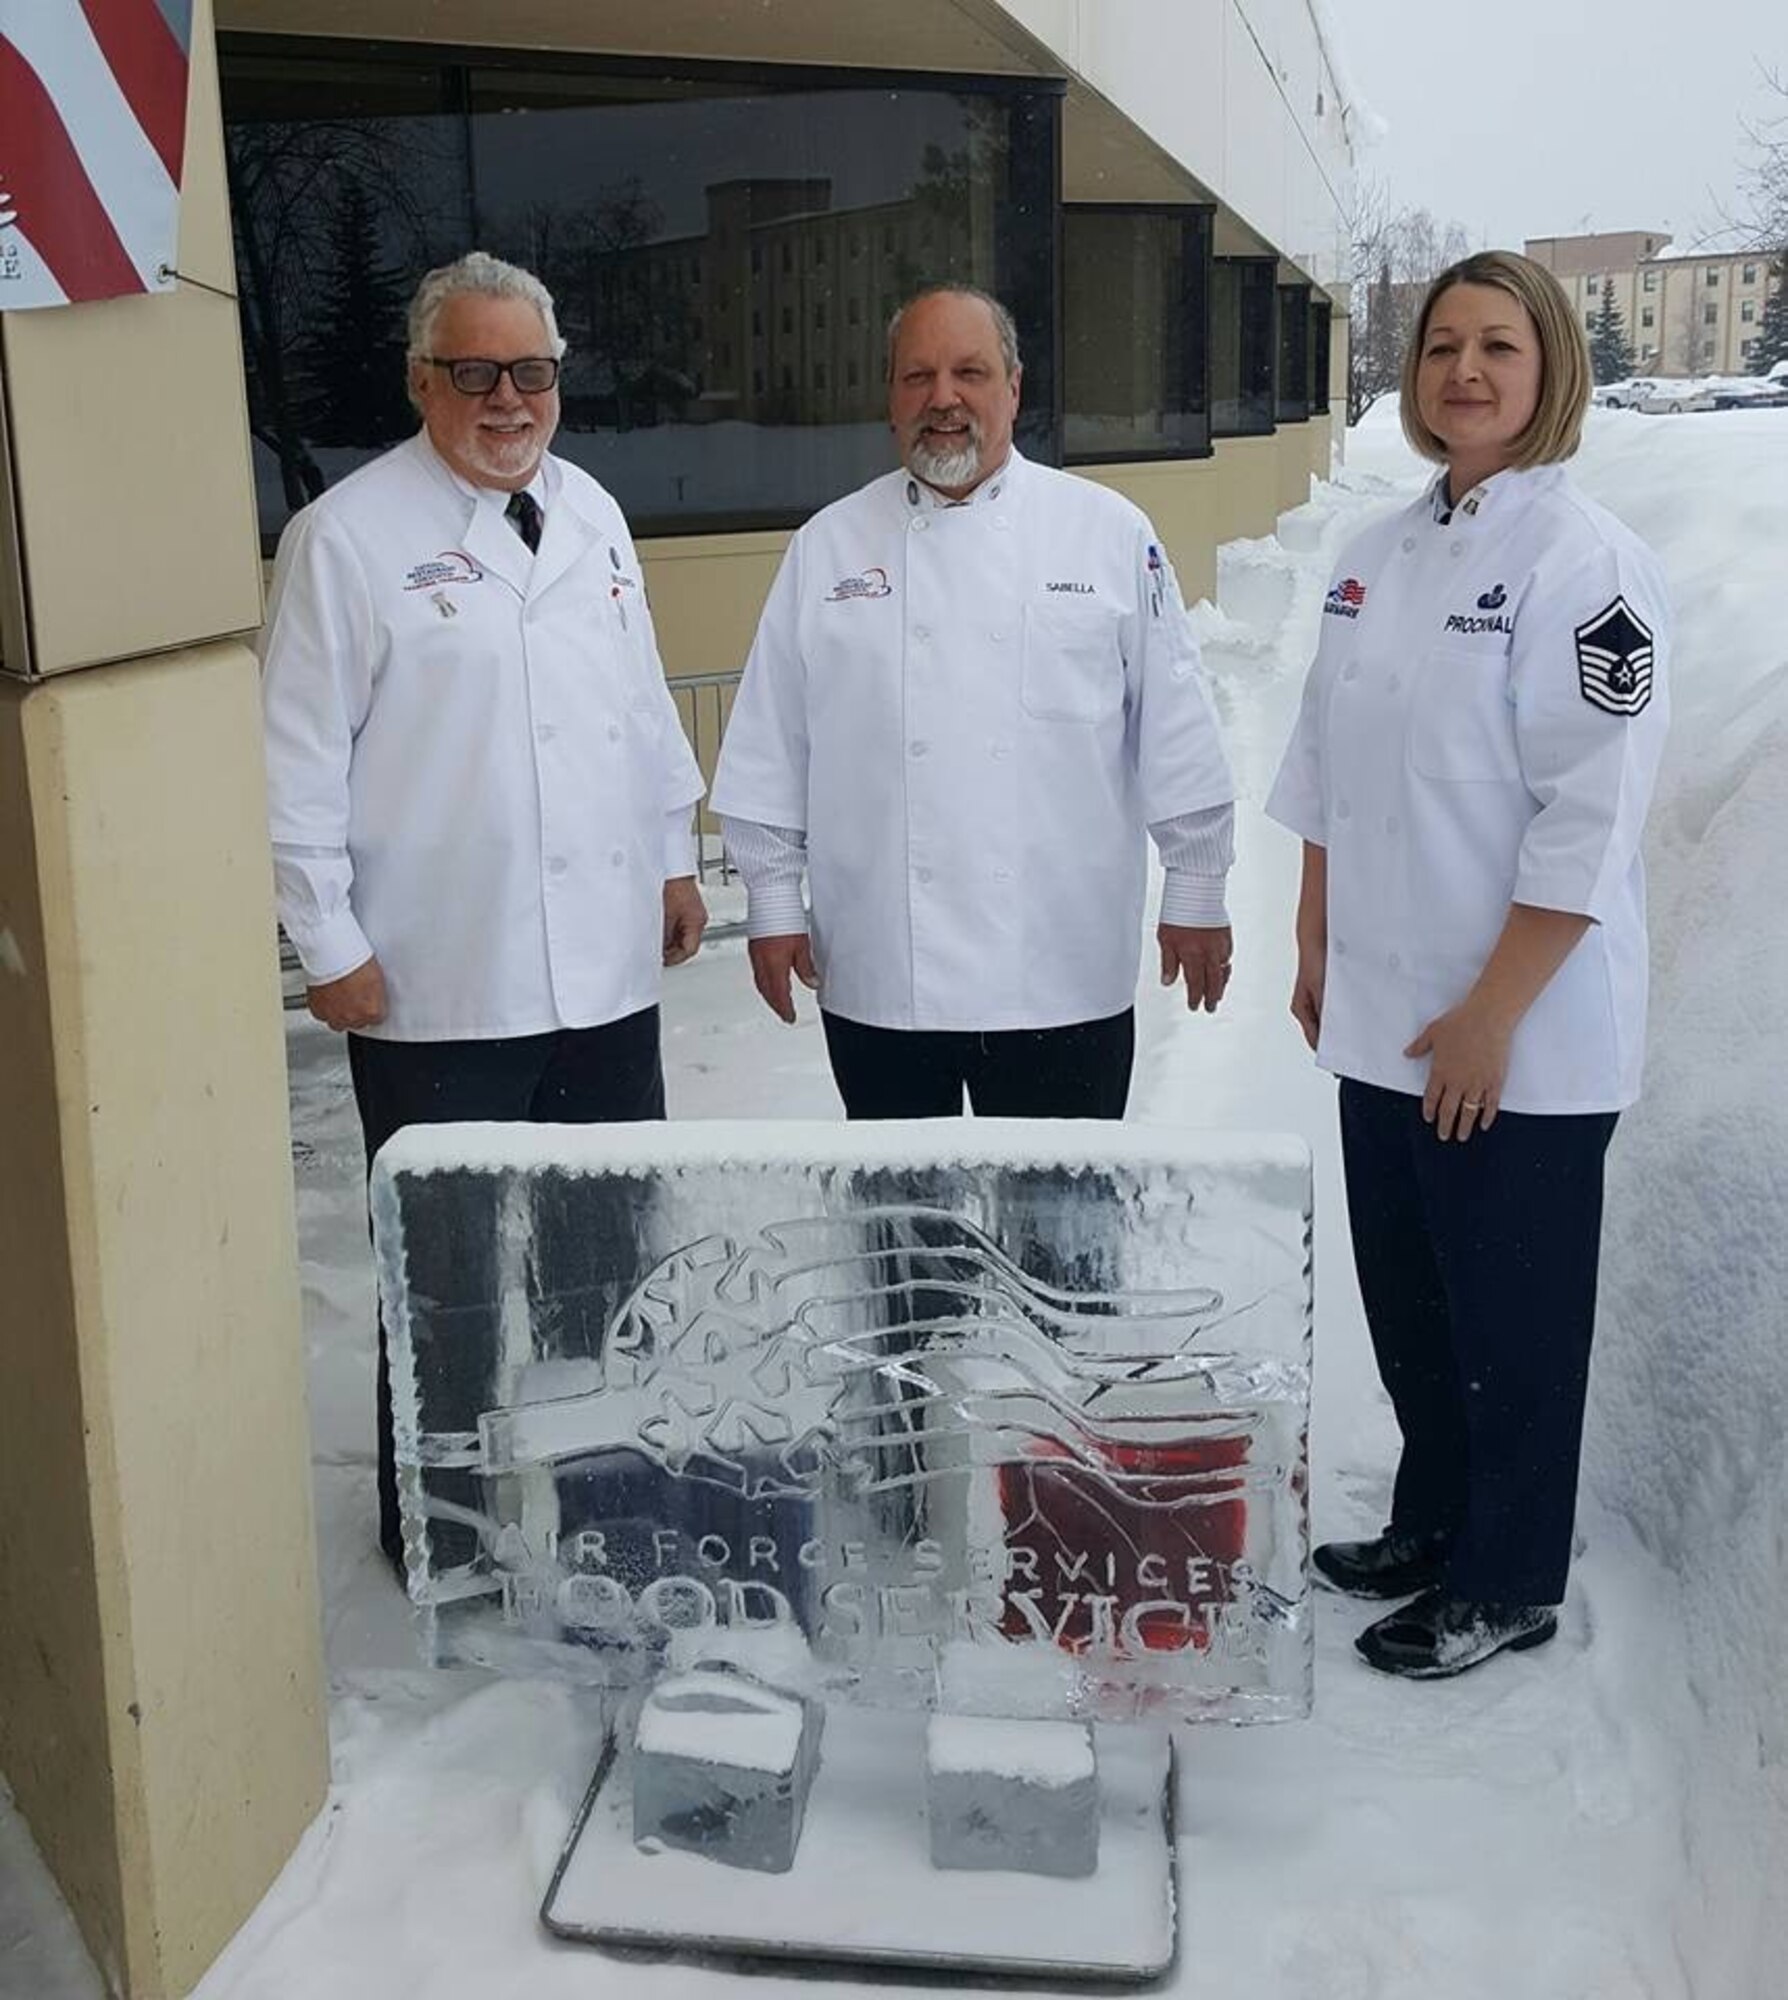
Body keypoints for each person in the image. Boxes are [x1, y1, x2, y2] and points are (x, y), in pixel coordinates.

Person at [260, 250, 707, 1569]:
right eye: (475, 371)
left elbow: (637, 704)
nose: (507, 397)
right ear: (422, 381)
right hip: (436, 987)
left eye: (531, 371)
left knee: (607, 1266)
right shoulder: (345, 539)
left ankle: (606, 1504)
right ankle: (440, 1529)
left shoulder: (593, 513)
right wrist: (325, 941)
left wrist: (674, 859)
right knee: (446, 1280)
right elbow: (293, 762)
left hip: (605, 986)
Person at [1266, 250, 1670, 1679]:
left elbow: (1591, 814)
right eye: (1443, 346)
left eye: (1499, 345)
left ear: (1549, 366)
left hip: (1519, 1034)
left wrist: (1497, 1014)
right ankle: (1435, 1517)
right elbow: (1326, 758)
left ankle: (1508, 1578)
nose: (1466, 373)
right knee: (1416, 1306)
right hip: (1383, 1015)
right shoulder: (1379, 549)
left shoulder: (1584, 565)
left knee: (1512, 1319)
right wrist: (1314, 937)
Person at [710, 284, 1236, 1120]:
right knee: (904, 1237)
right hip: (885, 974)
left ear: (1014, 389)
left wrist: (1197, 886)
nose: (943, 399)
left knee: (1062, 1241)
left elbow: (1173, 721)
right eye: (917, 377)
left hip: (1061, 972)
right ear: (890, 398)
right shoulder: (828, 547)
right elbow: (775, 740)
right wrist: (773, 900)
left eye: (970, 373)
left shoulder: (1106, 532)